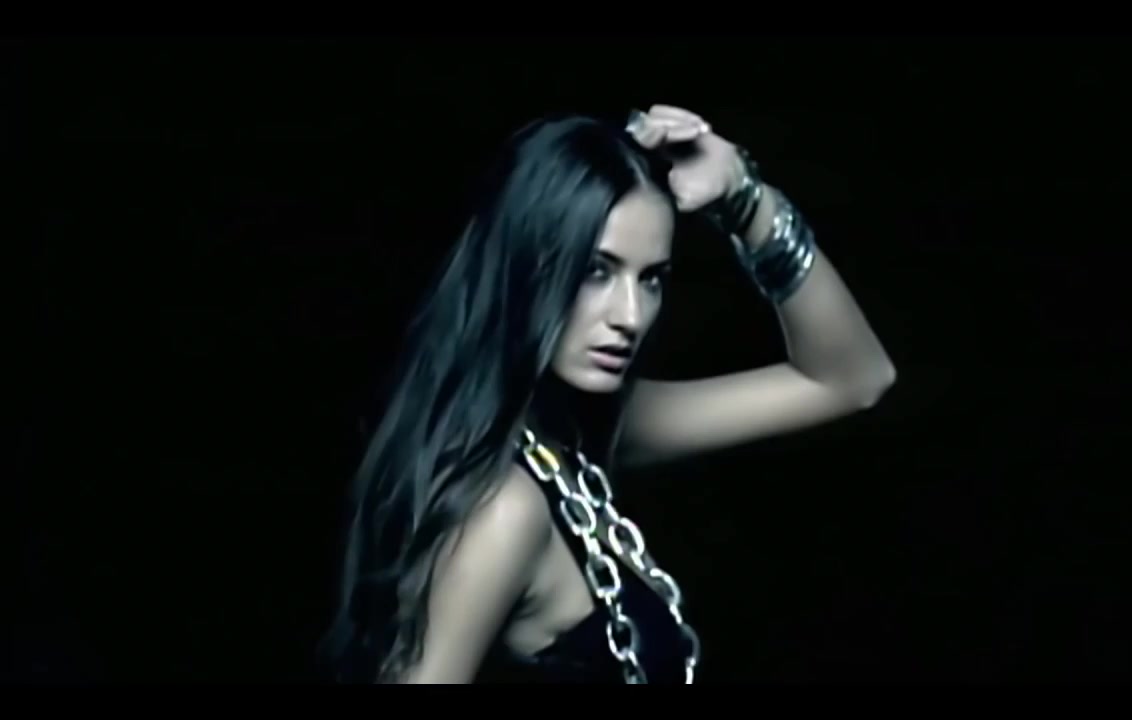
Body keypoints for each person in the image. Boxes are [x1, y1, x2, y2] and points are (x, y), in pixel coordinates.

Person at [319, 104, 897, 684]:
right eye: (597, 270)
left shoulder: (579, 433)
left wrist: (745, 199)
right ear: (526, 264)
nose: (631, 316)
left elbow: (853, 380)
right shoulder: (503, 511)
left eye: (651, 279)